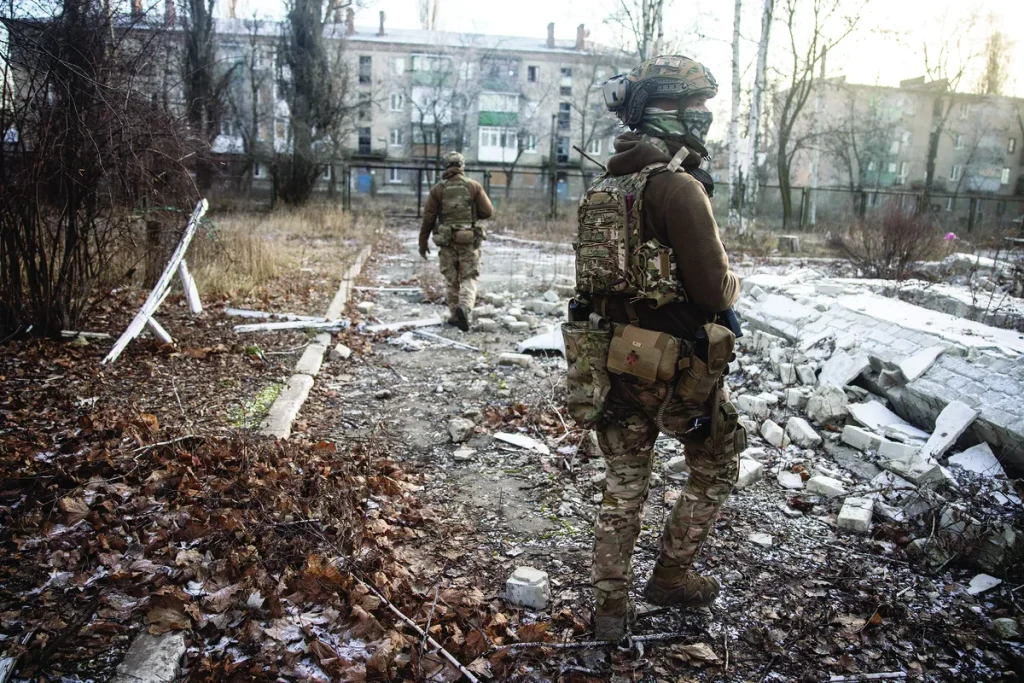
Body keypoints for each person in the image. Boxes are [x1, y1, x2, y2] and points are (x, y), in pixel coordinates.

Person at [562, 55, 745, 642]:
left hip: (610, 358)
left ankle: (610, 611)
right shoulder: (677, 188)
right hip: (674, 367)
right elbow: (713, 290)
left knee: (623, 484)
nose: (705, 116)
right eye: (698, 106)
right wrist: (734, 283)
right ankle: (670, 577)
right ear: (670, 111)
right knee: (717, 463)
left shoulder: (604, 186)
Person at [419, 151, 494, 331]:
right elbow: (487, 212)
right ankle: (465, 307)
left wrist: (423, 242)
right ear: (462, 166)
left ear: (446, 167)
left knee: (451, 279)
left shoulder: (438, 189)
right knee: (469, 276)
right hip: (468, 240)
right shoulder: (473, 186)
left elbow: (428, 218)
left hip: (446, 241)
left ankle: (454, 315)